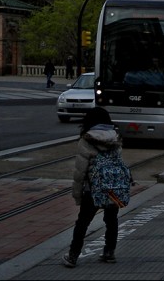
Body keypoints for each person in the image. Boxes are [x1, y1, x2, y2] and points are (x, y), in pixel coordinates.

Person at [62, 107, 124, 267]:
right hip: (112, 187)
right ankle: (109, 252)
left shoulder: (86, 139)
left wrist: (77, 195)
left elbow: (80, 171)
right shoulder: (115, 137)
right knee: (111, 220)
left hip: (92, 189)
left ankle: (73, 256)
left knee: (82, 222)